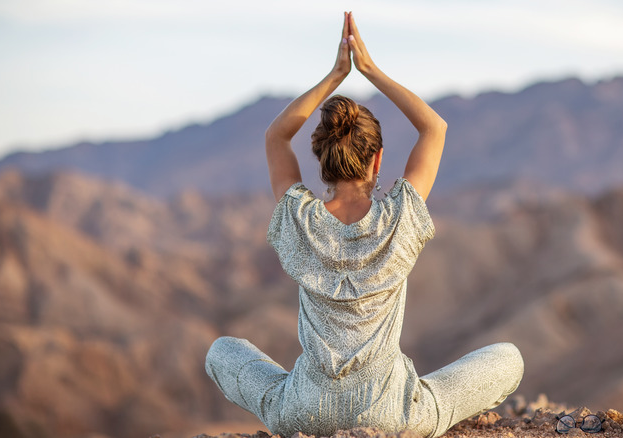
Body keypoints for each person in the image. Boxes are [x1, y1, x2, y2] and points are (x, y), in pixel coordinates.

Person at [205, 12, 523, 438]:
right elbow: (435, 128)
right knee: (508, 358)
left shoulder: (300, 217)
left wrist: (335, 75)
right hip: (394, 416)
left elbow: (275, 138)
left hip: (303, 412)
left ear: (320, 160)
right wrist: (369, 69)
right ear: (377, 160)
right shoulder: (399, 218)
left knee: (222, 351)